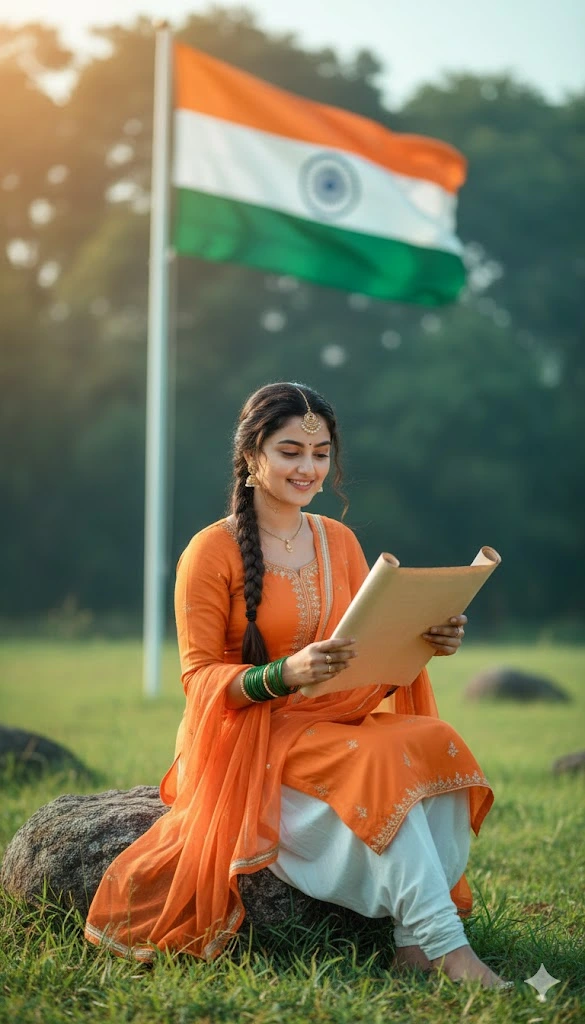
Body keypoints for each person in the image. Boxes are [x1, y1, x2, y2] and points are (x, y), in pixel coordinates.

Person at [85, 382, 511, 989]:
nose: (309, 468)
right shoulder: (210, 552)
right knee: (382, 758)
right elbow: (198, 677)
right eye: (290, 451)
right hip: (251, 739)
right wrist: (283, 673)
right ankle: (448, 949)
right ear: (251, 455)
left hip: (335, 722)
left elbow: (368, 645)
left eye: (321, 453)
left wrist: (425, 640)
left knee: (430, 738)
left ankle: (414, 944)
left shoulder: (339, 540)